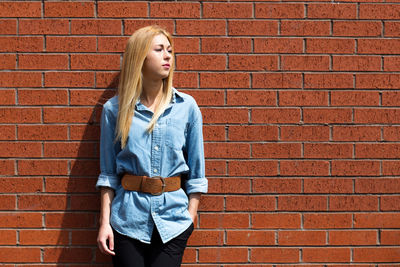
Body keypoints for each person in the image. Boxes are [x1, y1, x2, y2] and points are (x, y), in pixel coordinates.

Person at [96, 25, 208, 267]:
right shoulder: (114, 110)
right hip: (126, 221)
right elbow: (107, 175)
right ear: (140, 58)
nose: (167, 56)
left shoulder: (186, 107)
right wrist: (105, 223)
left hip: (173, 222)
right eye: (159, 50)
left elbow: (197, 172)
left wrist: (191, 215)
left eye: (169, 50)